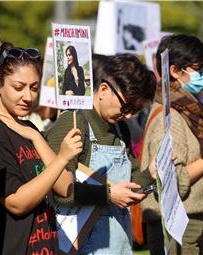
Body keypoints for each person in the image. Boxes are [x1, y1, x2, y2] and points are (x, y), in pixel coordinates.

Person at [0, 44, 83, 255]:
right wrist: (61, 158)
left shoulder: (28, 127)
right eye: (18, 87)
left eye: (34, 87)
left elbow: (66, 187)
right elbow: (16, 203)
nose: (28, 97)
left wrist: (37, 137)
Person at [45, 53, 157, 254]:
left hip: (118, 243)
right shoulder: (73, 123)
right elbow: (59, 192)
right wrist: (109, 194)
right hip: (81, 245)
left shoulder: (121, 128)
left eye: (136, 110)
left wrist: (151, 173)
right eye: (127, 106)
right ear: (104, 89)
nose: (129, 115)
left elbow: (131, 182)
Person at [140, 34, 203, 255]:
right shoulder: (168, 118)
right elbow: (173, 183)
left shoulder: (192, 112)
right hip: (177, 229)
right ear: (174, 71)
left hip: (201, 222)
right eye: (197, 68)